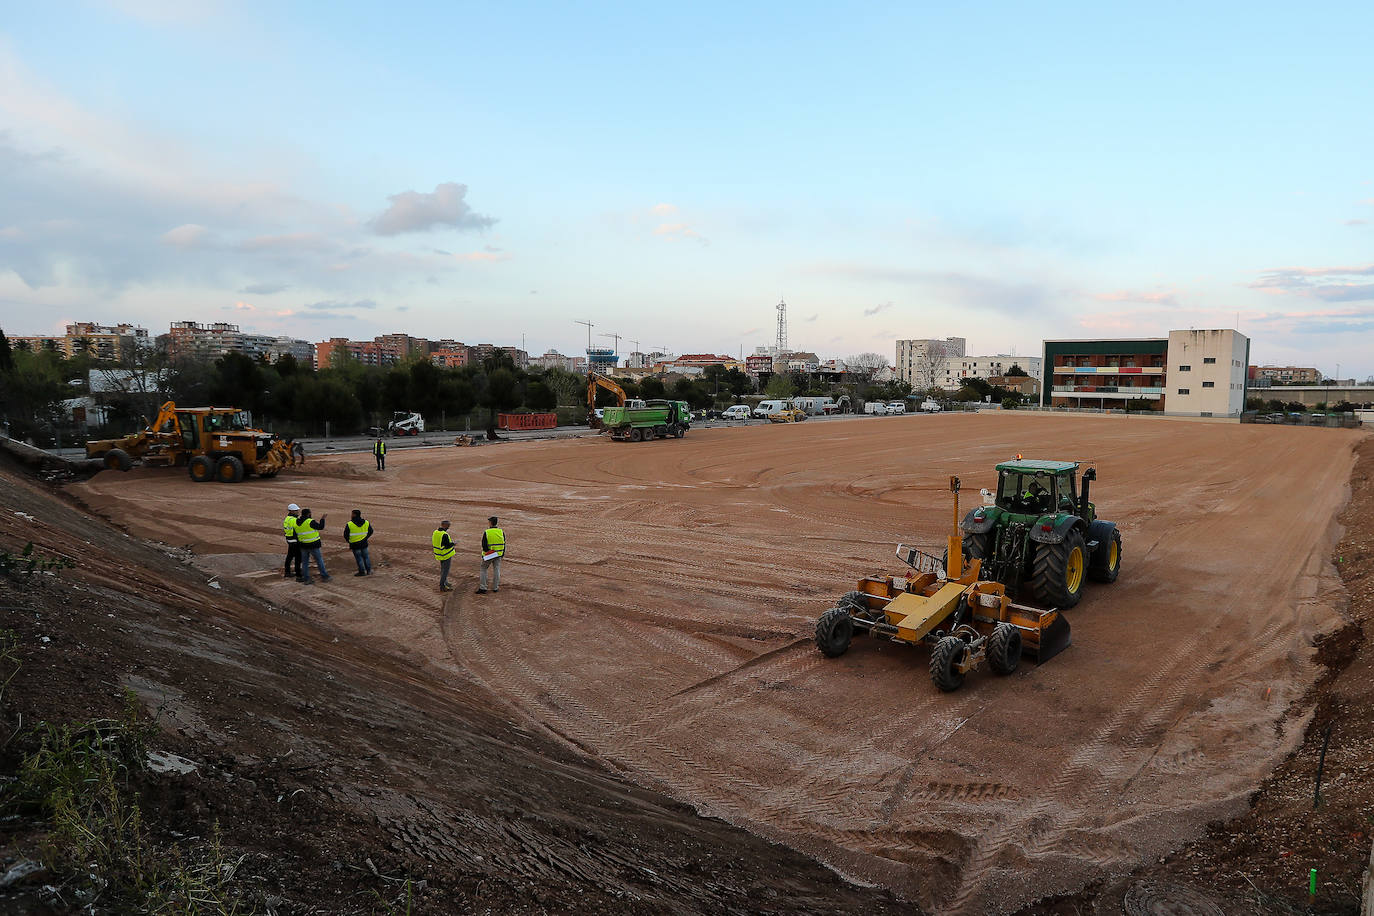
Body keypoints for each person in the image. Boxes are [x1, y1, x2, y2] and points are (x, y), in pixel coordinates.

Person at [295, 508, 330, 584]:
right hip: (313, 544)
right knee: (319, 560)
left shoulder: (297, 522)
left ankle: (306, 579)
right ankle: (325, 576)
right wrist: (322, 519)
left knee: (305, 562)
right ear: (308, 514)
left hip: (303, 545)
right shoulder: (310, 521)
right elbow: (320, 527)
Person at [476, 516, 505, 594]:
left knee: (483, 569)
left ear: (490, 523)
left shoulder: (487, 532)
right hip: (498, 554)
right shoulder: (501, 531)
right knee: (496, 569)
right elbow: (504, 543)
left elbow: (484, 545)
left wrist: (488, 553)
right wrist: (502, 554)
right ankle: (495, 587)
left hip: (489, 555)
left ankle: (483, 587)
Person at [345, 509, 374, 576]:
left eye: (352, 514)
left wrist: (349, 541)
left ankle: (362, 572)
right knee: (366, 557)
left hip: (355, 544)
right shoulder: (366, 522)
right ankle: (369, 571)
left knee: (359, 558)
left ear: (354, 515)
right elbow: (371, 531)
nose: (351, 515)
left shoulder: (350, 524)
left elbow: (346, 535)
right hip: (364, 543)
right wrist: (365, 538)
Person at [433, 520, 455, 592]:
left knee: (443, 569)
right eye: (448, 526)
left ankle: (445, 583)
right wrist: (453, 544)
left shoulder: (435, 532)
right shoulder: (444, 534)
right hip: (445, 555)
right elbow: (447, 545)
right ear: (445, 526)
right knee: (445, 571)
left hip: (439, 554)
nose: (448, 528)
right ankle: (442, 586)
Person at [282, 503, 303, 580]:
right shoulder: (294, 520)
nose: (298, 511)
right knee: (298, 557)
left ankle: (287, 572)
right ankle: (298, 574)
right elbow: (298, 529)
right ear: (292, 511)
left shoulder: (287, 519)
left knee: (290, 556)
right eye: (296, 510)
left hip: (289, 540)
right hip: (295, 541)